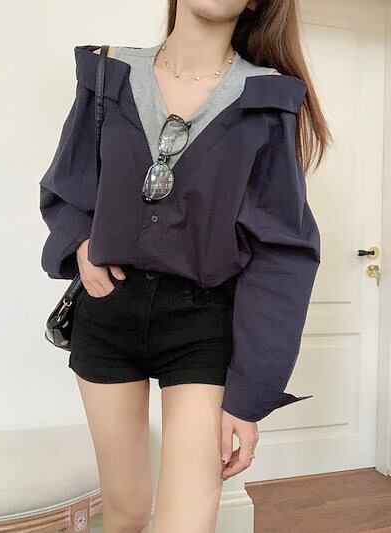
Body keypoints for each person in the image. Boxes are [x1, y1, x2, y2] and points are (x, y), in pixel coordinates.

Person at [39, 1, 331, 531]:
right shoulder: (108, 74)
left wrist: (249, 395)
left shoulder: (266, 97)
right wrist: (80, 243)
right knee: (125, 511)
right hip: (107, 311)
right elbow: (69, 183)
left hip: (201, 323)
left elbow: (281, 250)